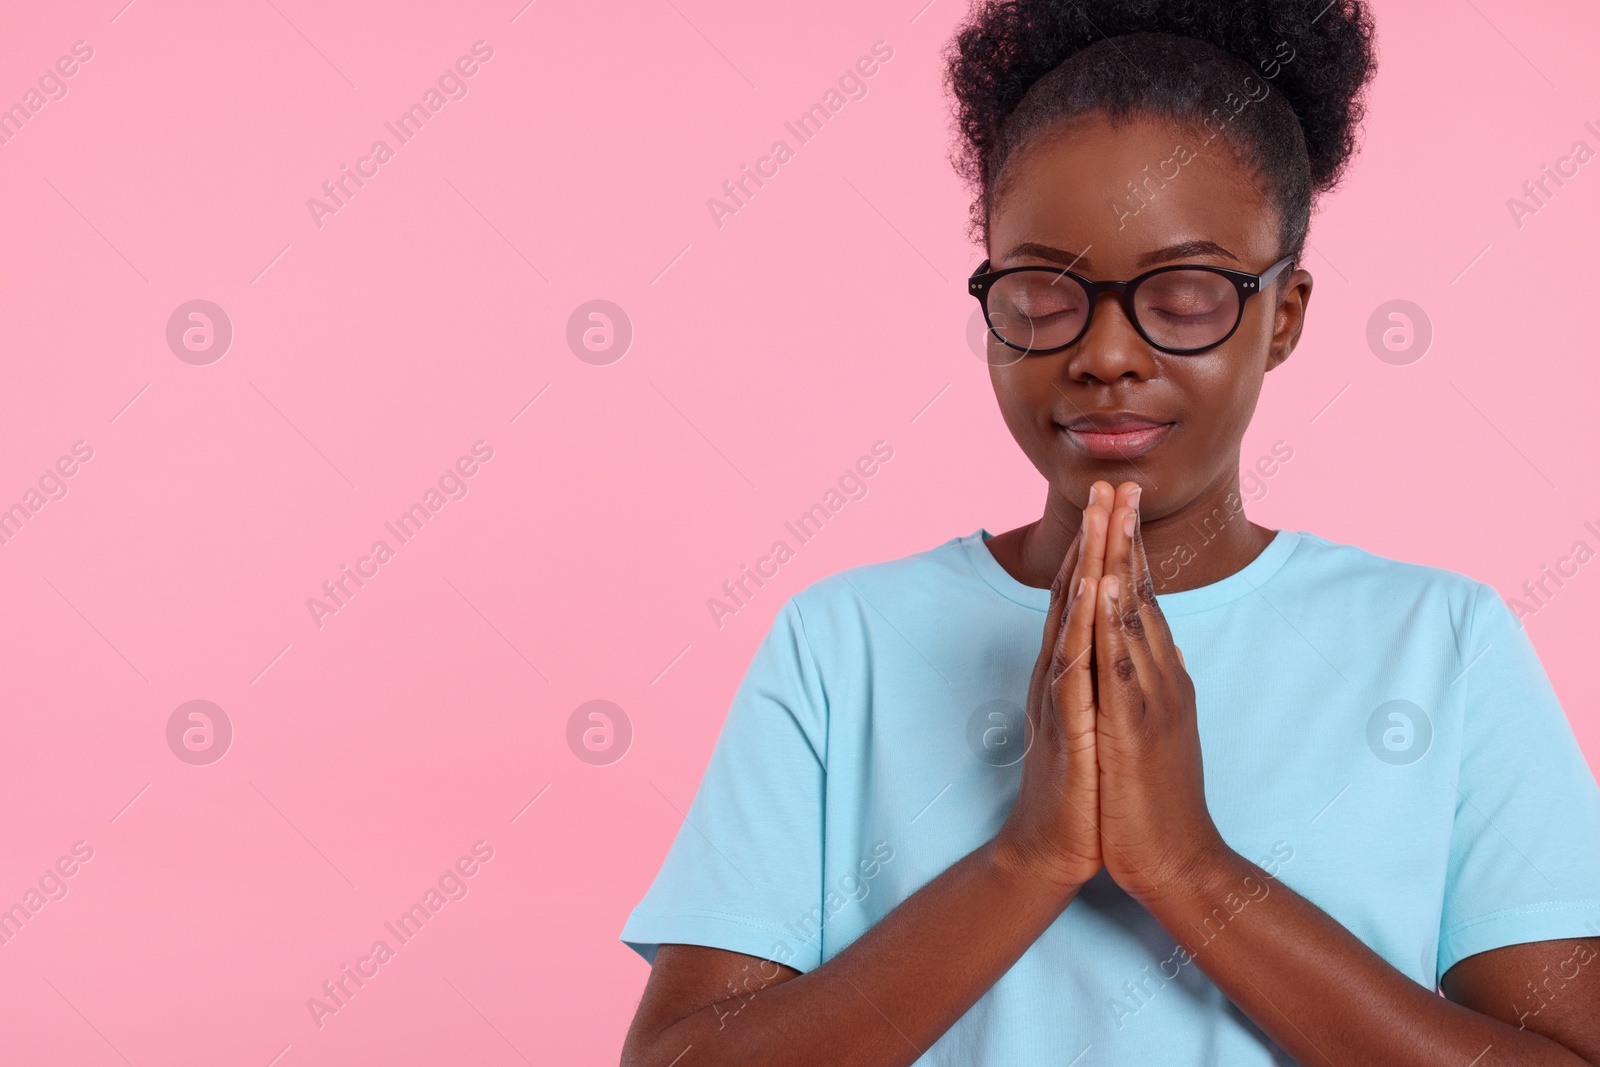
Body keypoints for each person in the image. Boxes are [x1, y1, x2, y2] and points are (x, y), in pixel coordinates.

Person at [617, 2, 1600, 1063]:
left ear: (1284, 317)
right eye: (1045, 291)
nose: (1105, 355)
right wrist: (1029, 859)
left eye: (1182, 294)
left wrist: (1185, 864)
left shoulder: (1439, 642)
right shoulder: (839, 643)